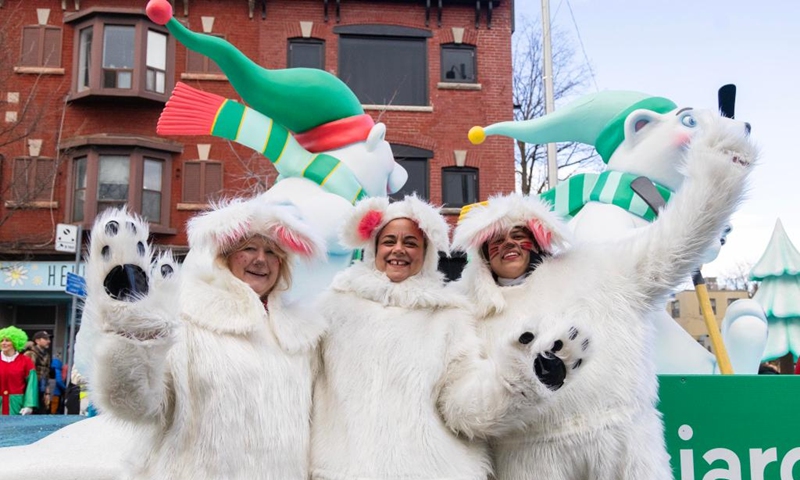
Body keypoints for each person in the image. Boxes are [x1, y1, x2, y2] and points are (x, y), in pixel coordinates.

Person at [448, 113, 753, 480]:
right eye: (496, 240)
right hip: (530, 466)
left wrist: (719, 172)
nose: (509, 244)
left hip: (622, 456)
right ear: (481, 251)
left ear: (538, 238)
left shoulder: (597, 269)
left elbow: (673, 243)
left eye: (519, 235)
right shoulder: (464, 313)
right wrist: (523, 380)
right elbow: (462, 411)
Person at [87, 196, 326, 479]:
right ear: (224, 257)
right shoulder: (188, 316)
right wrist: (130, 338)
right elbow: (137, 405)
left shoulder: (303, 337)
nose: (261, 260)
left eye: (272, 252)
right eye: (249, 248)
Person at [311, 195, 497, 480]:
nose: (399, 249)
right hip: (342, 471)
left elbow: (464, 403)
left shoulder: (448, 317)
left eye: (410, 242)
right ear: (373, 249)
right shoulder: (333, 308)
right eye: (389, 241)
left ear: (426, 253)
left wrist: (516, 381)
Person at [0, 326, 38, 415]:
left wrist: (29, 405)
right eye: (2, 340)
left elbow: (31, 384)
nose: (4, 343)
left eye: (7, 340)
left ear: (15, 342)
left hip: (17, 404)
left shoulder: (26, 361)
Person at [24, 330, 51, 414]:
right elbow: (27, 375)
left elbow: (47, 375)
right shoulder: (30, 354)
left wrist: (47, 393)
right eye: (45, 339)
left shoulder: (46, 355)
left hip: (42, 390)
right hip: (31, 390)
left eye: (48, 339)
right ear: (37, 341)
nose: (48, 341)